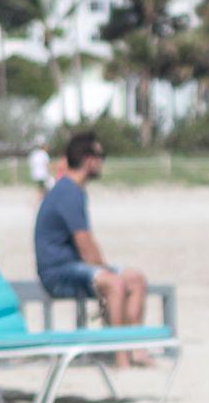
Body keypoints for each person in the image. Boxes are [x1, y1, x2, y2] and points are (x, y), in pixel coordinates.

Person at [33, 132, 151, 364]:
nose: (102, 162)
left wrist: (104, 270)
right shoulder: (68, 192)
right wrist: (105, 272)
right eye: (101, 156)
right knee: (115, 283)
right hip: (58, 271)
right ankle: (120, 357)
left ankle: (136, 349)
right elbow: (85, 245)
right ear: (88, 159)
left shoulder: (74, 189)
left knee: (136, 279)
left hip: (74, 266)